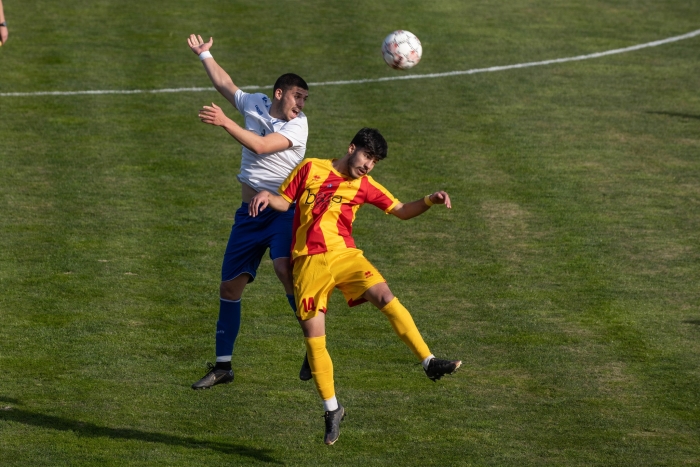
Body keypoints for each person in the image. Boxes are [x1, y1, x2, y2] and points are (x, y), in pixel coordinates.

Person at [248, 127, 462, 445]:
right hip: (308, 263)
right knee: (314, 339)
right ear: (351, 148)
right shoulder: (310, 168)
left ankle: (428, 361)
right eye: (366, 156)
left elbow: (401, 210)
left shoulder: (365, 186)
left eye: (374, 161)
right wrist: (268, 197)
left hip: (346, 257)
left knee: (385, 296)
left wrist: (431, 199)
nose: (368, 165)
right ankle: (332, 409)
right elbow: (285, 201)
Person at [187, 34, 312, 389]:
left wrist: (226, 122)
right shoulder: (256, 103)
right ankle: (223, 366)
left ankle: (313, 343)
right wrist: (206, 54)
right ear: (279, 94)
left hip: (283, 212)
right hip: (249, 215)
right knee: (230, 287)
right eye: (297, 96)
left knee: (284, 268)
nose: (301, 104)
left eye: (305, 99)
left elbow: (259, 146)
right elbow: (226, 84)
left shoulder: (297, 126)